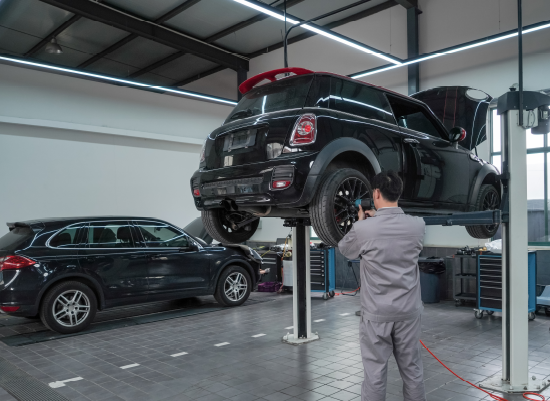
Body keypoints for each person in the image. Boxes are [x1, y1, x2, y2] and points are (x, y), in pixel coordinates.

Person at [338, 170, 426, 401]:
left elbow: (345, 250)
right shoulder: (418, 225)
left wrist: (361, 223)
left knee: (375, 375)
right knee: (413, 372)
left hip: (376, 315)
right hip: (408, 313)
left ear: (376, 193)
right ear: (398, 193)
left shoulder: (364, 229)